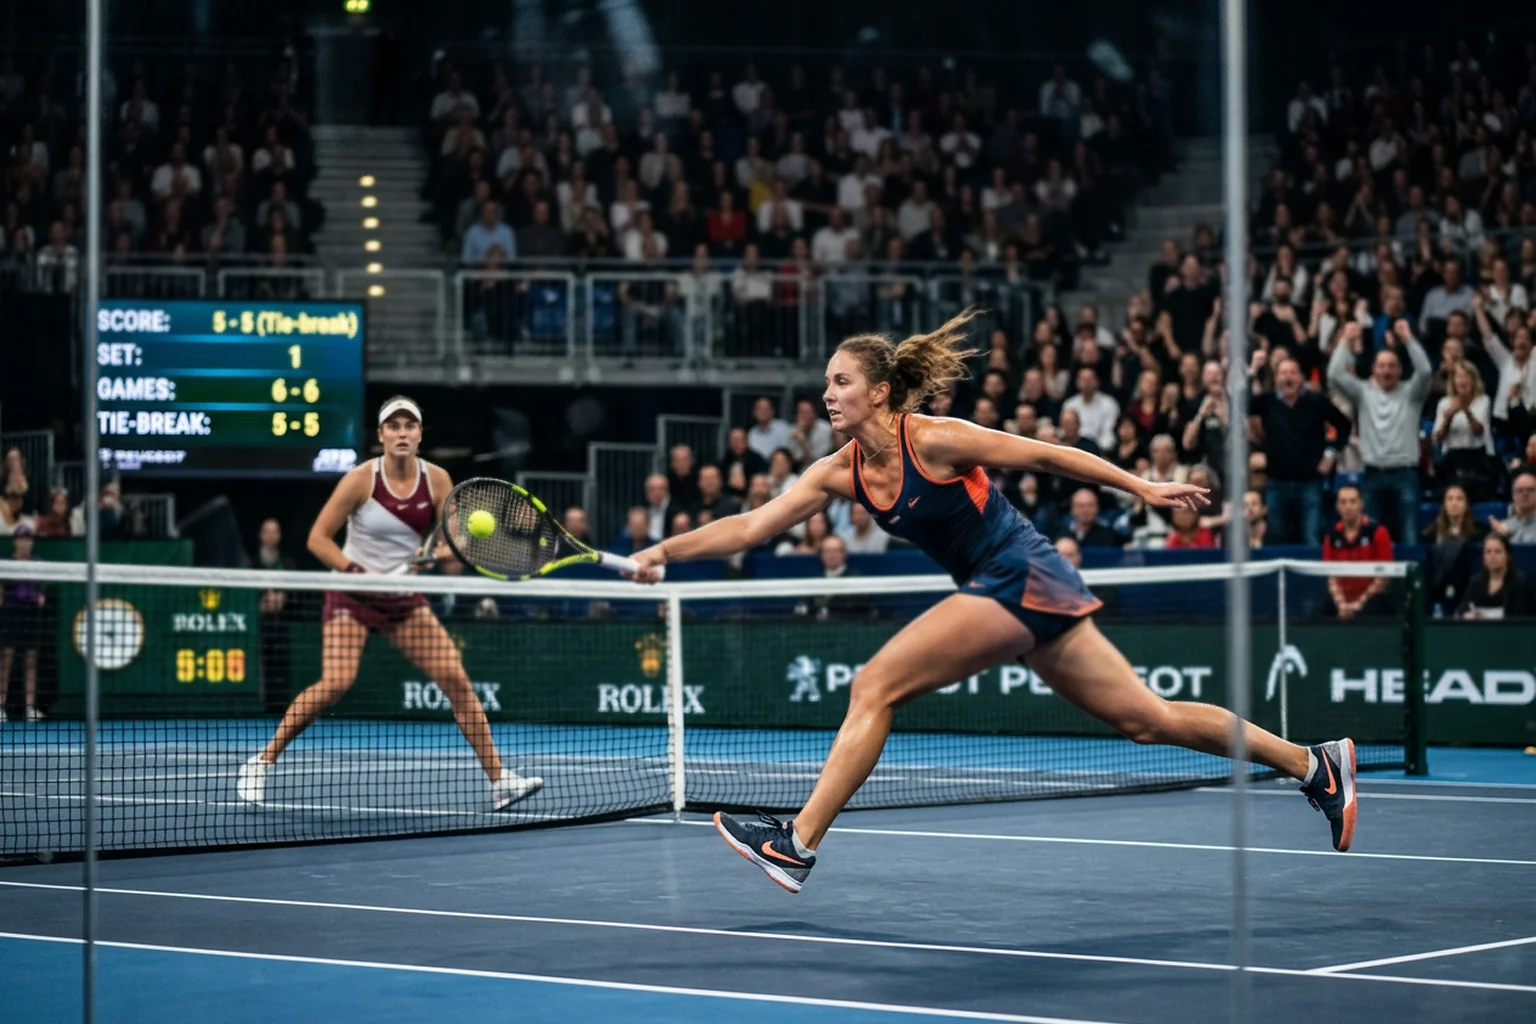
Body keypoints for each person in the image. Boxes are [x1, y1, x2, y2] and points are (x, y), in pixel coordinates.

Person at [626, 312, 1360, 893]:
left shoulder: (935, 439)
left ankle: (797, 843)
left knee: (874, 685)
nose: (827, 394)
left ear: (877, 392)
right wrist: (664, 551)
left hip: (1017, 572)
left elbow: (1044, 453)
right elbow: (750, 526)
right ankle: (1315, 764)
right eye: (827, 382)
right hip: (1017, 589)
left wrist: (1141, 485)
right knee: (1147, 720)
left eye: (841, 381)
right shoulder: (836, 473)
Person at [237, 397, 541, 810]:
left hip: (401, 599)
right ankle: (261, 762)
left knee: (456, 681)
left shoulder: (437, 480)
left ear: (419, 435)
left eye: (409, 426)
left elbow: (454, 536)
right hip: (352, 595)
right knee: (336, 683)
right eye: (393, 426)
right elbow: (318, 539)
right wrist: (354, 571)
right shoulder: (360, 480)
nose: (402, 433)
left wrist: (443, 549)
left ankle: (500, 781)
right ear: (381, 435)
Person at [1322, 484, 1394, 619]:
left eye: (1353, 501)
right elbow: (1332, 578)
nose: (1348, 506)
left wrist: (1358, 604)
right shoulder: (1331, 536)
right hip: (1343, 601)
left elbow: (1383, 578)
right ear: (1337, 507)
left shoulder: (1378, 532)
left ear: (1361, 504)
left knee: (1377, 606)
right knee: (1321, 612)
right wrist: (1342, 604)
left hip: (1371, 600)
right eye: (1343, 502)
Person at [0, 524, 46, 722]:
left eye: (28, 539)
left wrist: (40, 597)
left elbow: (42, 591)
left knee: (31, 658)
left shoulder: (38, 563)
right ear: (15, 541)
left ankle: (30, 707)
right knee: (6, 658)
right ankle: (0, 706)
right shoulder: (5, 563)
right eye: (21, 538)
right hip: (11, 613)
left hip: (31, 615)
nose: (24, 542)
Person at [1456, 533, 1534, 619]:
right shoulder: (1476, 581)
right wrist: (1466, 615)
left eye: (1498, 552)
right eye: (1488, 552)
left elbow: (1521, 618)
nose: (1492, 556)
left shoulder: (1520, 583)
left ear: (1508, 555)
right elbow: (1462, 608)